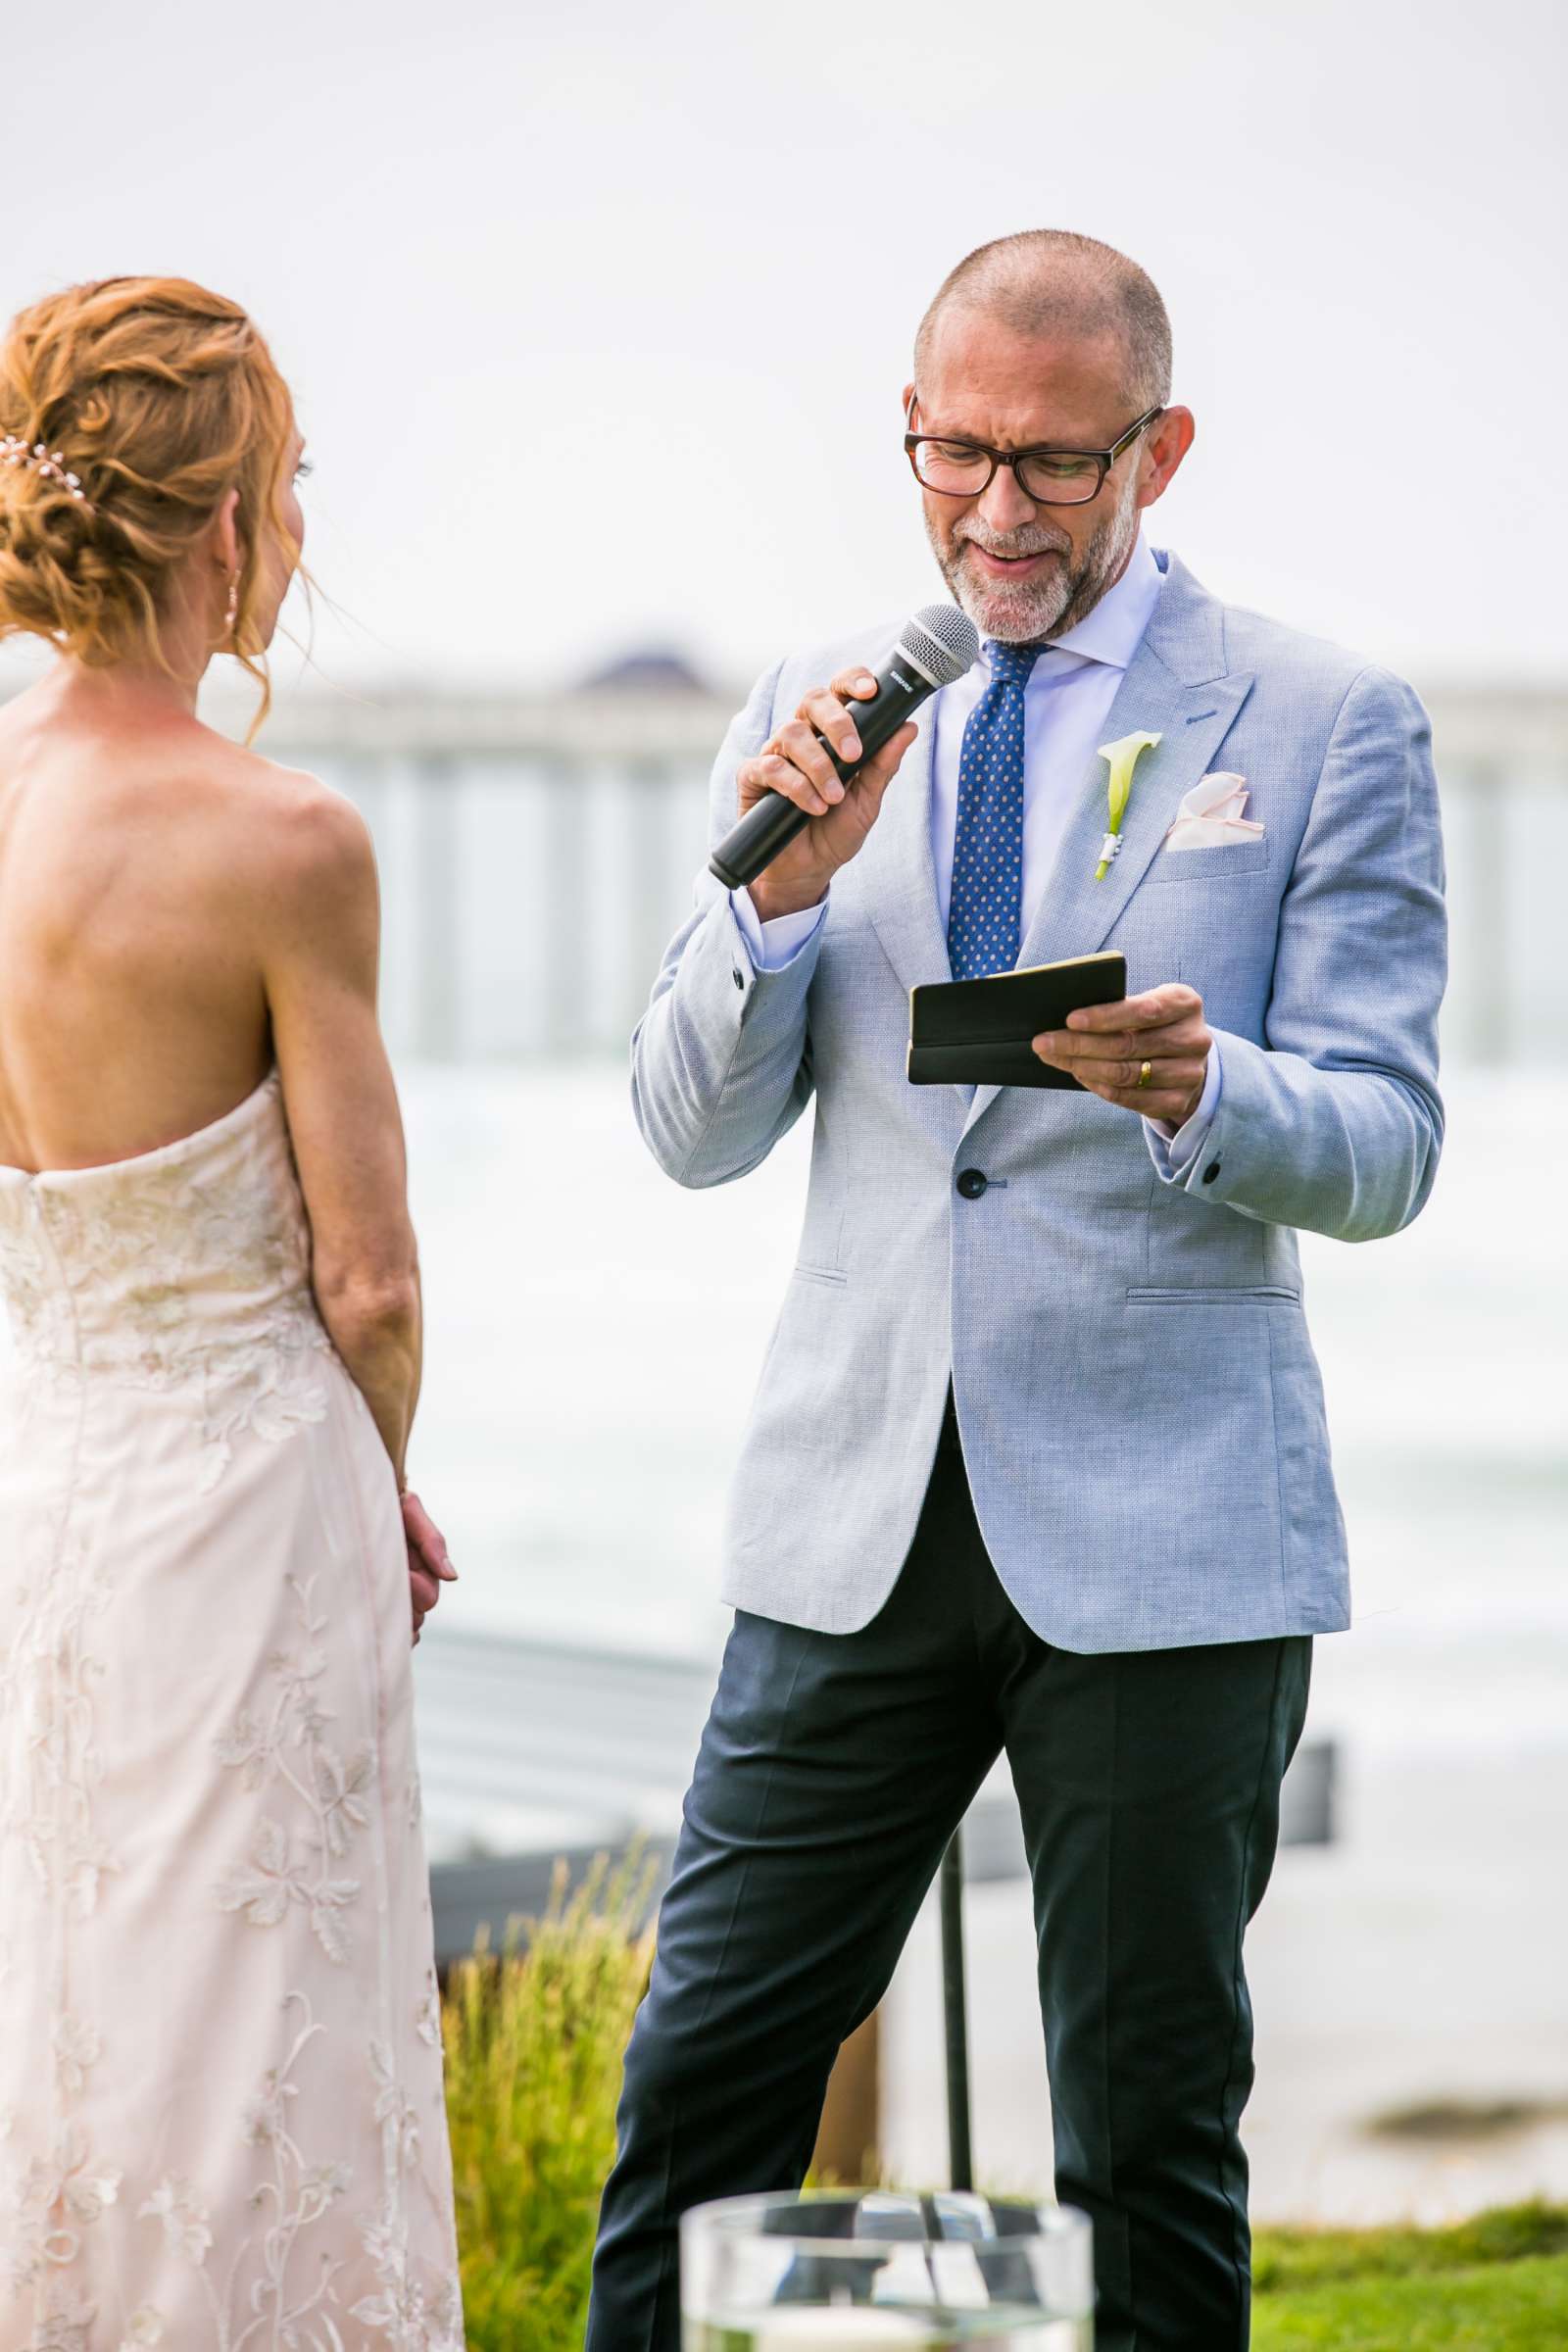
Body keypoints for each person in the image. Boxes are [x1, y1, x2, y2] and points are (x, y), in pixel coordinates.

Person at [589, 228, 1446, 2352]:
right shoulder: (821, 708)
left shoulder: (1322, 717)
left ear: (1159, 449)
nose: (993, 511)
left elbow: (1386, 1143)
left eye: (1053, 465)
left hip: (1166, 1538)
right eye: (951, 452)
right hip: (848, 1517)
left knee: (1148, 2137)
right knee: (695, 2098)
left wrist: (1206, 1088)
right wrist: (773, 905)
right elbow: (690, 1132)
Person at [0, 277, 462, 2348]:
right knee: (264, 2031)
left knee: (70, 2011)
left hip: (49, 1484)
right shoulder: (283, 839)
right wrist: (390, 1479)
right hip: (249, 1513)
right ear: (224, 525)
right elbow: (364, 1276)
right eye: (292, 492)